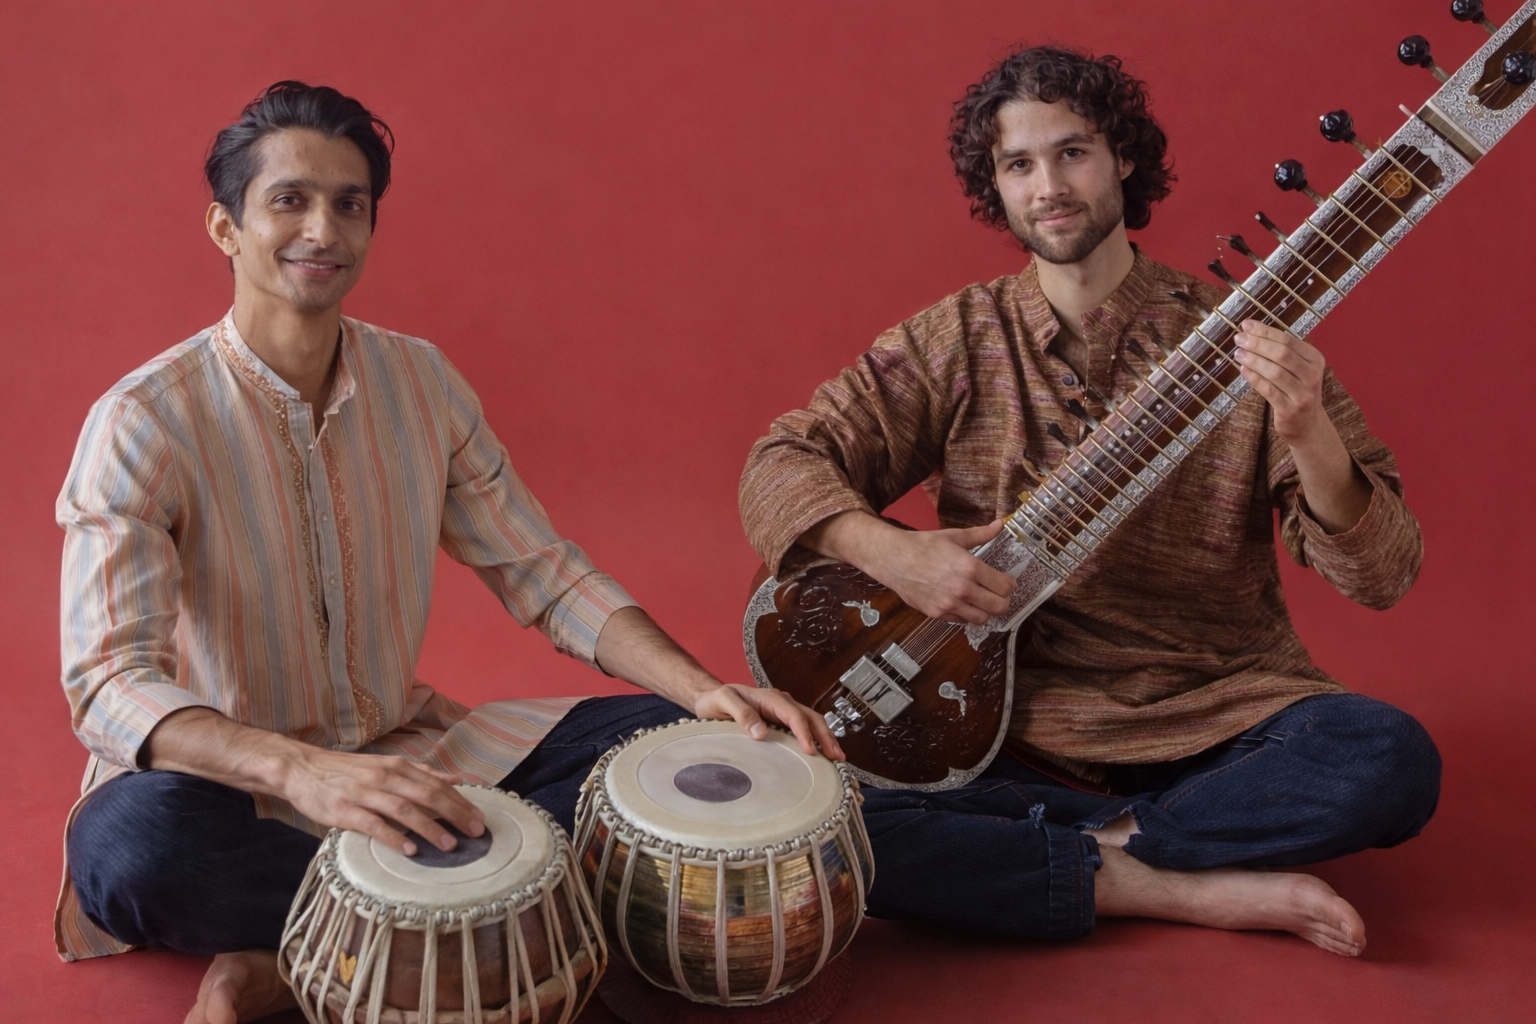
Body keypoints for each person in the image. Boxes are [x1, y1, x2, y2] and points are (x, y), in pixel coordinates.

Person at [56, 81, 839, 1024]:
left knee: (704, 756)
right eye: (289, 200)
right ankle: (492, 909)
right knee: (128, 849)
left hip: (418, 760)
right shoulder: (142, 421)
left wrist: (700, 687)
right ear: (226, 229)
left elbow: (543, 573)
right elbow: (107, 682)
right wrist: (303, 772)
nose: (324, 229)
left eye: (350, 204)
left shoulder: (420, 383)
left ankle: (290, 961)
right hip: (233, 794)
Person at [738, 45, 1440, 957]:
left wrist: (1308, 429)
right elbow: (778, 460)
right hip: (999, 725)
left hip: (1214, 710)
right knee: (803, 794)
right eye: (1018, 165)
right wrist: (891, 551)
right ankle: (1185, 877)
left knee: (1387, 760)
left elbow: (1384, 573)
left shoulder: (1241, 339)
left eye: (1072, 153)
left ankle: (1076, 854)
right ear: (995, 187)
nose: (1049, 187)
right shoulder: (958, 337)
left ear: (1123, 160)